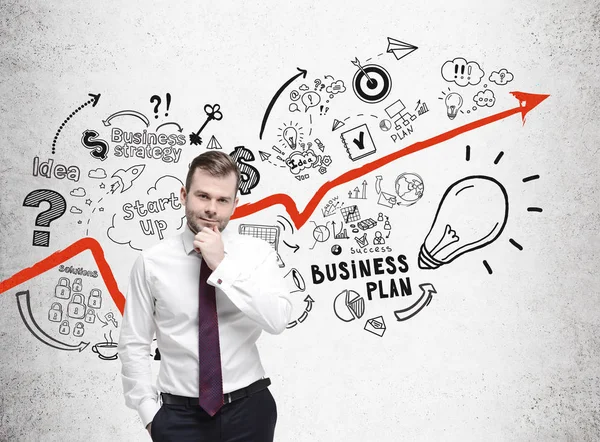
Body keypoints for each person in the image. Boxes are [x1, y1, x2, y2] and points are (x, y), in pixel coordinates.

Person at [118, 151, 293, 441]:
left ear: (235, 205)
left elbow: (278, 320)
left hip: (249, 411)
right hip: (179, 418)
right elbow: (133, 342)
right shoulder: (152, 262)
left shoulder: (257, 255)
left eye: (222, 200)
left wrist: (222, 266)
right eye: (202, 196)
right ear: (184, 195)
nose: (211, 208)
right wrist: (150, 415)